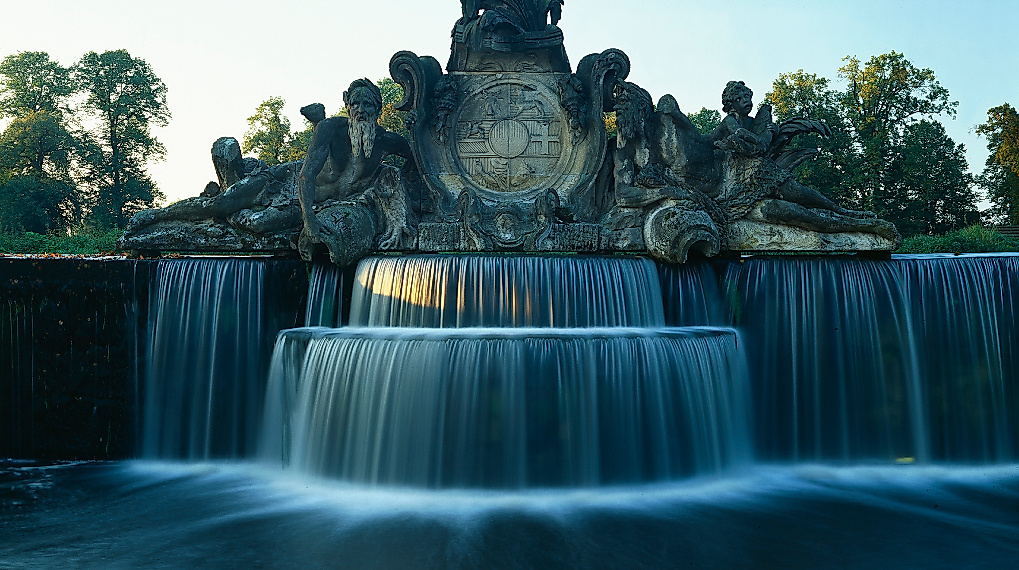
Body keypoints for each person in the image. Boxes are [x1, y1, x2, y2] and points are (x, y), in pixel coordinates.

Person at [708, 81, 898, 239]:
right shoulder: (730, 121)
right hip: (742, 184)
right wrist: (764, 135)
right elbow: (748, 141)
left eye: (746, 96)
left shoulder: (754, 122)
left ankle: (845, 212)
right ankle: (858, 224)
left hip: (763, 173)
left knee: (801, 192)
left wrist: (767, 135)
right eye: (739, 99)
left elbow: (761, 146)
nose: (745, 101)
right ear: (731, 105)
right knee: (797, 210)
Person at [297, 78, 416, 259]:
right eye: (355, 104)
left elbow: (417, 159)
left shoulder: (385, 141)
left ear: (377, 109)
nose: (361, 110)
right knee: (258, 220)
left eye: (367, 104)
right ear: (348, 107)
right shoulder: (330, 129)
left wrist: (415, 127)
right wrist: (308, 216)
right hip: (301, 193)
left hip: (344, 203)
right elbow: (306, 175)